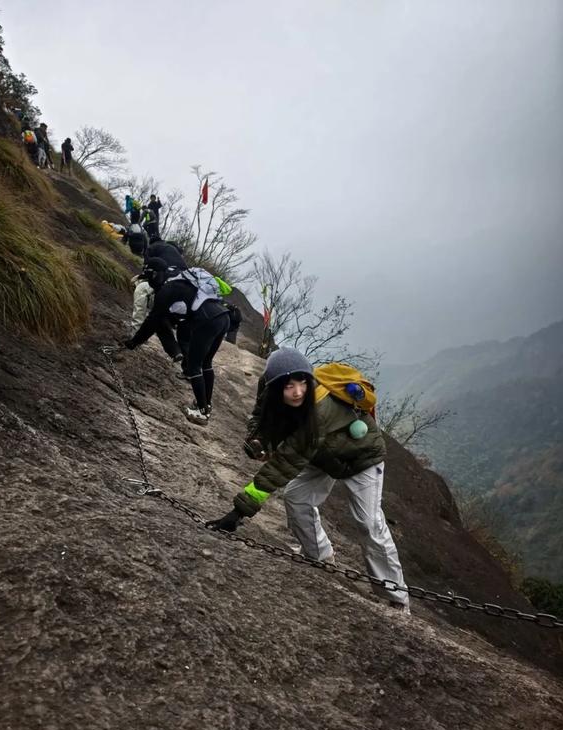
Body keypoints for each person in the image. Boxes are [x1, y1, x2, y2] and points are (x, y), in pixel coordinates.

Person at [206, 347, 410, 612]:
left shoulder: (319, 409)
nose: (298, 392)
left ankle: (397, 597)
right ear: (274, 385)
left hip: (362, 457)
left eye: (302, 383)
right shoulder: (269, 388)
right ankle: (319, 556)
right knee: (296, 497)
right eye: (289, 386)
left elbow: (283, 465)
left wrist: (238, 512)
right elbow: (261, 415)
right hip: (323, 455)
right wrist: (258, 440)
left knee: (369, 522)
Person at [124, 257, 230, 425]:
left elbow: (152, 320)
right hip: (223, 317)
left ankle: (202, 412)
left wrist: (134, 342)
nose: (149, 283)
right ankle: (206, 405)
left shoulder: (167, 289)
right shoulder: (181, 280)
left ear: (155, 275)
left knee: (194, 365)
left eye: (149, 278)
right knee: (206, 363)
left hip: (207, 320)